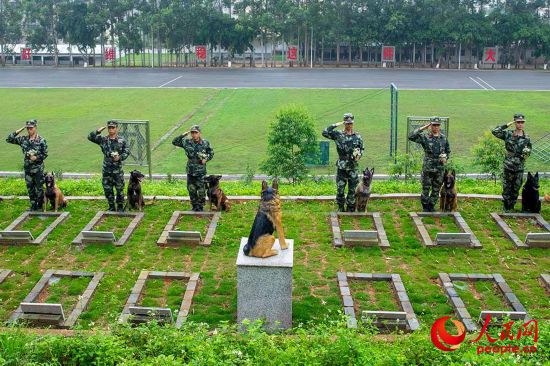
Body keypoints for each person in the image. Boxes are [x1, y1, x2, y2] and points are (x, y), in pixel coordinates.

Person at [322, 113, 364, 212]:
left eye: (350, 123)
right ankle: (341, 207)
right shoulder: (338, 134)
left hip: (353, 167)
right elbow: (325, 132)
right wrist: (337, 124)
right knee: (340, 189)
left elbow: (361, 148)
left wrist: (359, 155)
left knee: (352, 189)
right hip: (342, 167)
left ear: (352, 123)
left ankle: (351, 207)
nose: (349, 125)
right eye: (347, 123)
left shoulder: (357, 136)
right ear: (344, 123)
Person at [408, 117, 450, 212]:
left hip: (439, 168)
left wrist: (445, 158)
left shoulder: (443, 138)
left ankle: (431, 206)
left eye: (437, 125)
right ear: (430, 126)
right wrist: (423, 128)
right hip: (428, 168)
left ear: (439, 126)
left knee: (436, 189)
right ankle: (425, 207)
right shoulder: (425, 137)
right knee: (426, 188)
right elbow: (411, 136)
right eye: (434, 125)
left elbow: (448, 151)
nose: (436, 127)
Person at [491, 113, 532, 211]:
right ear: (515, 123)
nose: (520, 124)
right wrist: (507, 124)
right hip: (508, 165)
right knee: (507, 187)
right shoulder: (508, 134)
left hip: (519, 166)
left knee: (516, 187)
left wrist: (526, 154)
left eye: (522, 122)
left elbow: (529, 150)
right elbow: (495, 131)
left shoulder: (527, 137)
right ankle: (506, 207)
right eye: (518, 122)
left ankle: (512, 206)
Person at [6, 120, 48, 211]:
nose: (29, 130)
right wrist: (20, 130)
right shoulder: (23, 139)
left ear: (35, 128)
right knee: (30, 188)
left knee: (39, 188)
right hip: (28, 169)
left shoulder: (41, 140)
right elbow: (9, 139)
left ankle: (40, 205)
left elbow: (45, 154)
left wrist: (36, 158)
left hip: (38, 169)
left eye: (31, 128)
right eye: (28, 128)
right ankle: (33, 205)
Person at [88, 120, 129, 212]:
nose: (111, 130)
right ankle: (111, 206)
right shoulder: (103, 140)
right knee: (107, 189)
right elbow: (90, 137)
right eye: (109, 128)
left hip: (117, 170)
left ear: (116, 129)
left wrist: (120, 158)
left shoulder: (121, 140)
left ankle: (120, 206)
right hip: (106, 170)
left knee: (119, 189)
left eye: (113, 128)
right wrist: (97, 131)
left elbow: (127, 151)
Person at [172, 125, 214, 211]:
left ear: (200, 133)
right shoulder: (187, 142)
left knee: (202, 190)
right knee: (191, 189)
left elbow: (211, 153)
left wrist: (206, 159)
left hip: (201, 171)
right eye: (192, 133)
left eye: (196, 133)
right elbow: (174, 142)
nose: (194, 135)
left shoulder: (205, 143)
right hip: (190, 171)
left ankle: (201, 206)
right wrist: (182, 135)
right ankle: (194, 206)